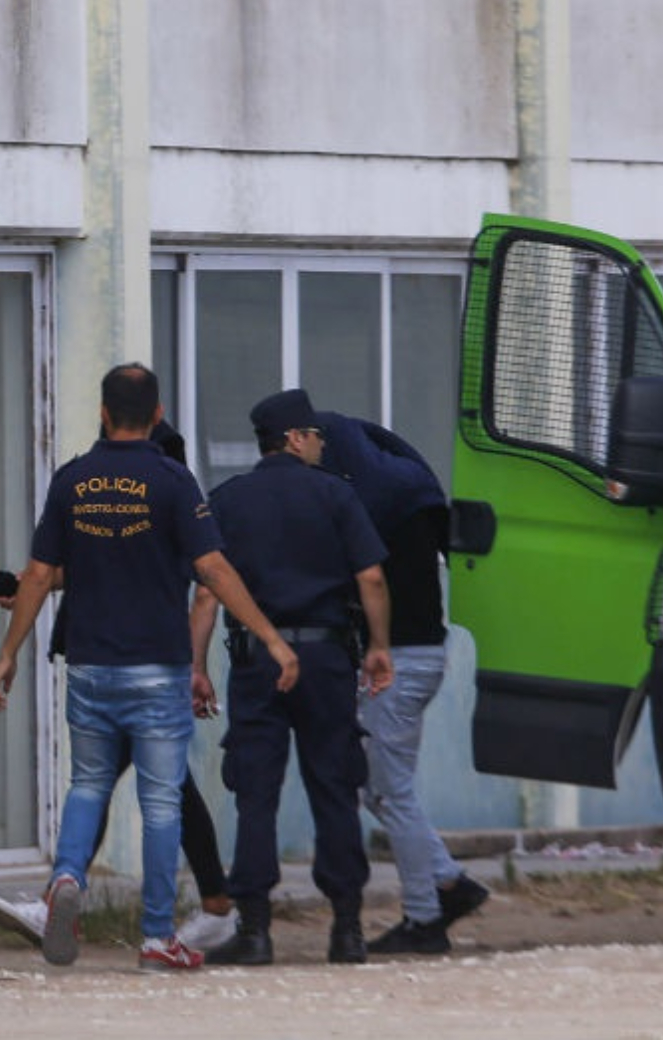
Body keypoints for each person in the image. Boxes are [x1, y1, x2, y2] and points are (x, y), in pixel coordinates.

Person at [0, 364, 297, 973]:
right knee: (160, 803)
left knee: (88, 784)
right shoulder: (174, 481)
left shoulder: (72, 480)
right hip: (156, 668)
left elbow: (41, 574)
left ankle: (65, 880)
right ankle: (157, 938)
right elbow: (213, 570)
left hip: (90, 666)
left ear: (102, 413)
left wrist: (7, 654)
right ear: (157, 416)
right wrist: (272, 639)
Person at [0, 422, 238, 954]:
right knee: (165, 791)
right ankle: (206, 907)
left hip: (114, 668)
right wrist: (27, 588)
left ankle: (67, 894)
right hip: (139, 669)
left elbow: (206, 589)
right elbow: (69, 571)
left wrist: (195, 665)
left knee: (99, 786)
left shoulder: (162, 501)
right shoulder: (153, 507)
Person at [190, 388, 393, 967]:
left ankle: (254, 932)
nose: (323, 446)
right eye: (316, 437)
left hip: (259, 661)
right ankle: (347, 931)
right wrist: (379, 647)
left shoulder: (228, 500)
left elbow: (207, 590)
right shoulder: (336, 496)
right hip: (328, 662)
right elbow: (372, 578)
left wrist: (198, 667)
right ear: (296, 439)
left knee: (256, 792)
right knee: (334, 784)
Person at [314, 411, 489, 956]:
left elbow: (365, 583)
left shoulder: (374, 512)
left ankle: (424, 918)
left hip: (398, 662)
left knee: (391, 790)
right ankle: (448, 883)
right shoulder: (409, 496)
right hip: (417, 659)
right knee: (377, 785)